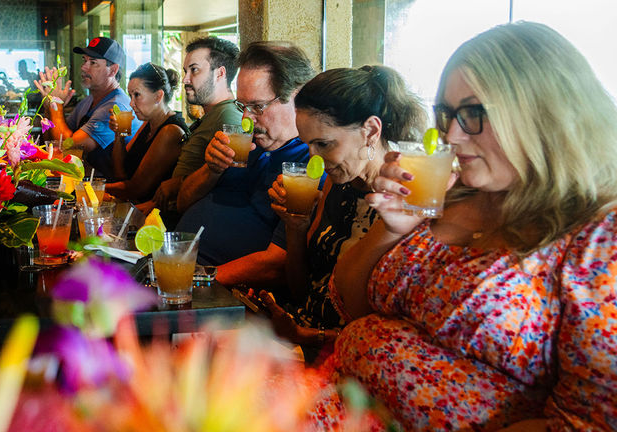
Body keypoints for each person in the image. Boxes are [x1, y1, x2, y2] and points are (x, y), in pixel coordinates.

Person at [318, 22, 617, 430]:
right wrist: (389, 229)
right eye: (447, 114)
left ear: (544, 113)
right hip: (329, 398)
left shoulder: (597, 237)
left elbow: (588, 422)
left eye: (473, 113)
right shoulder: (446, 192)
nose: (452, 134)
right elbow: (349, 308)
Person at [249, 67, 425, 361]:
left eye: (324, 144)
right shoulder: (336, 182)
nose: (314, 158)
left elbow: (398, 331)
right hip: (300, 337)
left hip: (354, 354)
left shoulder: (408, 196)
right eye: (307, 144)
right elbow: (305, 290)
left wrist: (308, 337)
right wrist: (296, 228)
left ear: (370, 131)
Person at [175, 41, 315, 266]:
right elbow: (182, 203)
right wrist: (211, 169)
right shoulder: (245, 145)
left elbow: (277, 263)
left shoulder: (307, 164)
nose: (246, 120)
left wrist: (201, 279)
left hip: (217, 287)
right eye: (242, 107)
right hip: (179, 265)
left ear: (297, 97)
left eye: (257, 107)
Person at [140, 37, 242, 215]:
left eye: (194, 70)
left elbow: (233, 181)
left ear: (220, 73)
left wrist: (180, 183)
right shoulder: (212, 115)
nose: (185, 79)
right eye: (185, 71)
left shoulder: (229, 116)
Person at [88, 63, 189, 203]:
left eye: (137, 95)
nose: (131, 103)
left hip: (153, 215)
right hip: (132, 205)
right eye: (130, 95)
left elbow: (136, 189)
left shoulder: (170, 132)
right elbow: (120, 172)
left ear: (158, 96)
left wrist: (90, 188)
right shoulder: (148, 122)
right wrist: (119, 134)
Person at [34, 37, 140, 156]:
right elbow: (52, 141)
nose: (83, 67)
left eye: (93, 63)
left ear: (112, 70)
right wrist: (49, 106)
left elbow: (66, 147)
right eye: (84, 60)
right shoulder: (88, 101)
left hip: (106, 175)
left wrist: (56, 106)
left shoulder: (117, 107)